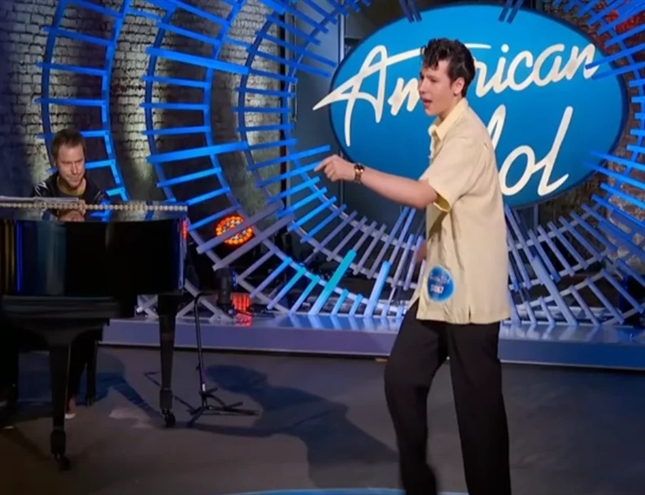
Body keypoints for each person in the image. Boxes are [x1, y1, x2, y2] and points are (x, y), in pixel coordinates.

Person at [315, 38, 512, 495]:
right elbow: (452, 201)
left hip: (471, 299)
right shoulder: (445, 129)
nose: (422, 87)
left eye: (433, 79)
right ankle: (419, 485)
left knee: (479, 419)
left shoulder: (466, 137)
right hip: (442, 288)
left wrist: (355, 172)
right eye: (421, 76)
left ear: (458, 86)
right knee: (402, 378)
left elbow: (424, 194)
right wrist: (432, 242)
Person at [32, 128, 105, 418]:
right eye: (67, 163)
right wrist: (59, 218)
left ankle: (69, 390)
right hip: (46, 278)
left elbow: (106, 242)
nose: (75, 170)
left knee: (85, 320)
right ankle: (7, 389)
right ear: (55, 162)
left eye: (79, 162)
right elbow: (30, 226)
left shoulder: (98, 196)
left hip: (84, 281)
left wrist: (87, 221)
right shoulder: (42, 193)